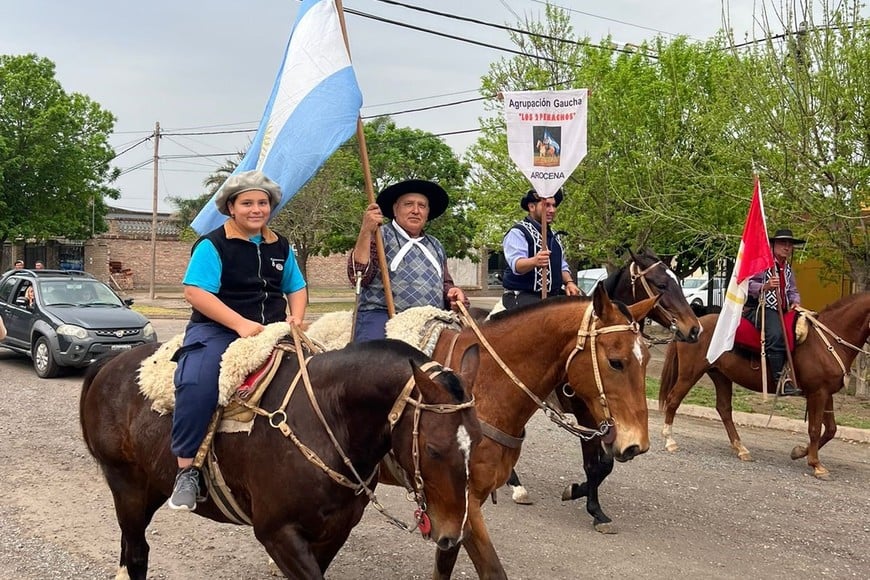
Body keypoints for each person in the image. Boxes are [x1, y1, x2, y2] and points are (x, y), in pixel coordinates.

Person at [169, 170, 308, 511]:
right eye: (247, 203)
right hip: (217, 329)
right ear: (231, 207)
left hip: (273, 329)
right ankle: (187, 470)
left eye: (263, 203)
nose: (256, 209)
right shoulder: (212, 244)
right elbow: (195, 292)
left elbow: (296, 286)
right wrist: (240, 324)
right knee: (196, 382)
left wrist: (298, 317)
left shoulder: (281, 245)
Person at [348, 179, 468, 342]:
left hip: (431, 318)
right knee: (373, 360)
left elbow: (445, 283)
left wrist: (452, 294)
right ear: (395, 209)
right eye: (408, 204)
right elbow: (358, 275)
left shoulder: (436, 245)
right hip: (382, 314)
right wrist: (366, 230)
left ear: (427, 212)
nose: (416, 210)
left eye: (422, 206)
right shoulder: (379, 235)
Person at [744, 228, 804, 396]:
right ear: (773, 245)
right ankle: (779, 380)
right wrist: (766, 286)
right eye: (782, 243)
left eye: (789, 244)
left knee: (803, 330)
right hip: (762, 307)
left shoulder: (788, 269)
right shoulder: (762, 264)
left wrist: (795, 302)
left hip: (783, 310)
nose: (786, 247)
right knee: (777, 334)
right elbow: (748, 284)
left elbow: (793, 290)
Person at [500, 188, 580, 310]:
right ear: (532, 207)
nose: (552, 210)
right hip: (523, 294)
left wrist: (569, 283)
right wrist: (535, 261)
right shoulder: (518, 232)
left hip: (553, 295)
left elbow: (561, 266)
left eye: (553, 206)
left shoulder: (554, 235)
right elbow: (517, 265)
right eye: (546, 205)